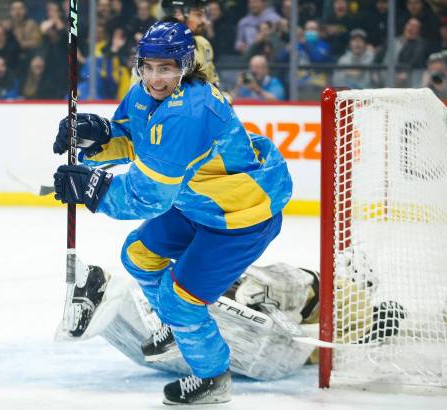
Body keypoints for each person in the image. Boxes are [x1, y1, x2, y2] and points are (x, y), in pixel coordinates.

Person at [52, 21, 292, 405]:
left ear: (185, 64)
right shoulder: (144, 94)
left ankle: (213, 378)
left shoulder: (190, 113)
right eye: (147, 66)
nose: (154, 77)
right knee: (139, 255)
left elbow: (149, 197)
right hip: (197, 202)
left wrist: (93, 189)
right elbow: (136, 139)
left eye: (166, 68)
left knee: (181, 300)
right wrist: (97, 135)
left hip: (238, 217)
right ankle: (176, 326)